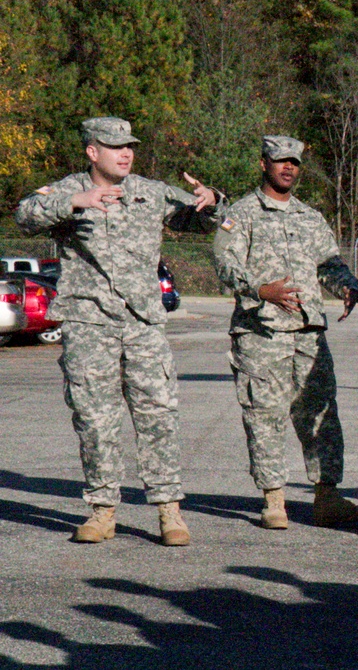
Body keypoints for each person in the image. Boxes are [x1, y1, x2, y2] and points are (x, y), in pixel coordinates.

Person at [15, 116, 226, 546]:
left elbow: (202, 219)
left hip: (143, 323)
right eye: (115, 147)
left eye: (129, 145)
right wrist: (74, 201)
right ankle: (102, 511)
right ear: (92, 152)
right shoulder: (68, 189)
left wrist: (213, 199)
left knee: (158, 417)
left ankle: (169, 511)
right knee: (95, 420)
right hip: (89, 323)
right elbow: (24, 214)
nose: (126, 153)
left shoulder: (151, 190)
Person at [213, 136, 358, 529]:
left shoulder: (309, 217)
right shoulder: (241, 213)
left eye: (295, 163)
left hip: (308, 333)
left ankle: (327, 496)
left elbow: (329, 263)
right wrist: (259, 290)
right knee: (264, 416)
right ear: (264, 163)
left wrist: (347, 286)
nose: (288, 168)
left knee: (320, 415)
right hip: (261, 332)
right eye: (281, 161)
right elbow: (224, 262)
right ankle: (274, 500)